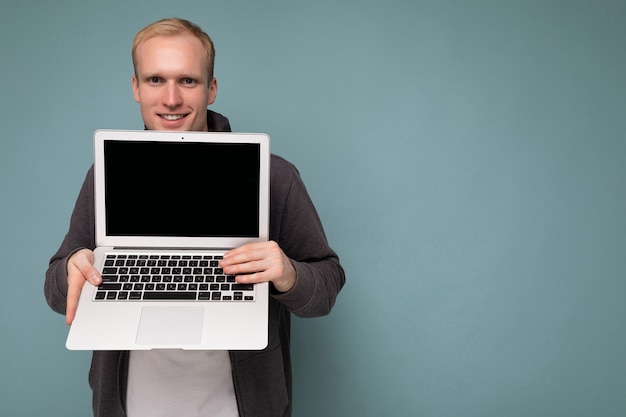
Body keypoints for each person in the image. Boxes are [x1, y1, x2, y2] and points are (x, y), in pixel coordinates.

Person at [44, 17, 345, 417]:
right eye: (155, 80)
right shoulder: (104, 175)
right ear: (135, 87)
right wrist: (70, 270)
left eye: (187, 80)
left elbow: (326, 285)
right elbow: (55, 289)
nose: (171, 99)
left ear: (212, 89)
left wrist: (290, 274)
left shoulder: (275, 177)